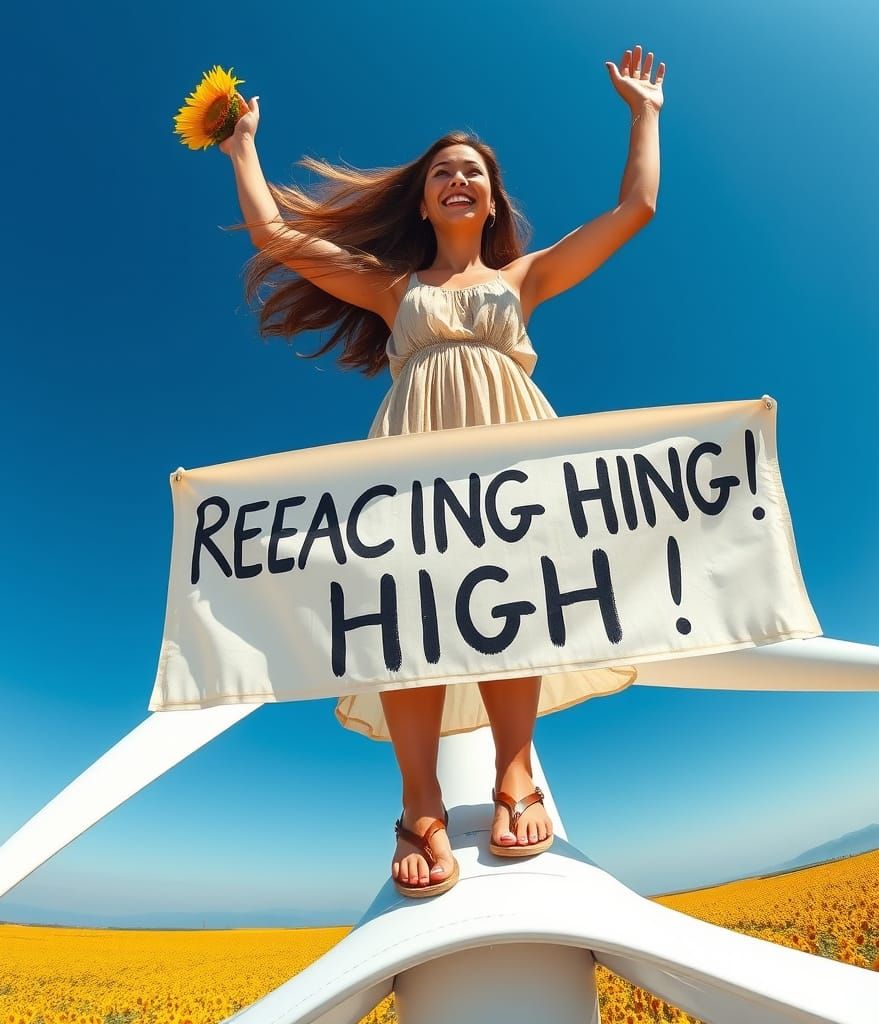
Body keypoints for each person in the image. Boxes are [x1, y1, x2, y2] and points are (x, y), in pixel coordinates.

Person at [221, 44, 664, 897]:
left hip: (511, 444)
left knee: (516, 593)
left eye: (473, 173)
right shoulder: (392, 289)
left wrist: (644, 114)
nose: (458, 180)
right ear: (424, 202)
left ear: (491, 200)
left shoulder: (524, 277)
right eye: (442, 173)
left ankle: (513, 771)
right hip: (413, 445)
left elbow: (634, 208)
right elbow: (278, 238)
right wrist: (244, 148)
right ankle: (419, 802)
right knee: (406, 607)